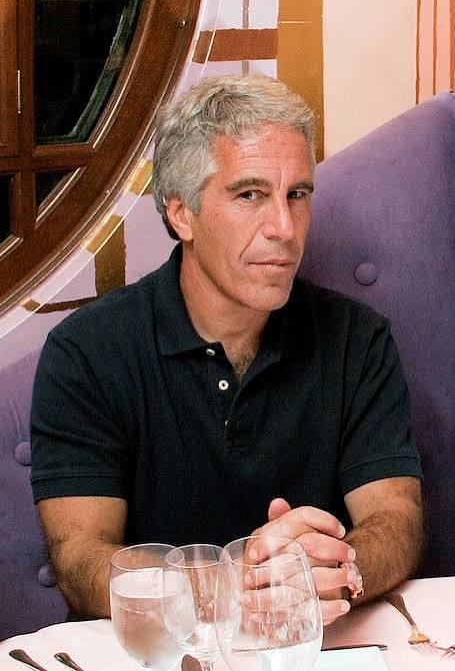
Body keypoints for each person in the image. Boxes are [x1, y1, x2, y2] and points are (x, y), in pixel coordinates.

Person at [30, 74, 424, 626]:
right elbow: (79, 559)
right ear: (181, 214)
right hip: (160, 651)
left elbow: (396, 519)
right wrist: (230, 586)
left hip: (312, 644)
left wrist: (337, 567)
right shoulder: (86, 351)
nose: (284, 228)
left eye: (297, 195)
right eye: (249, 195)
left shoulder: (357, 338)